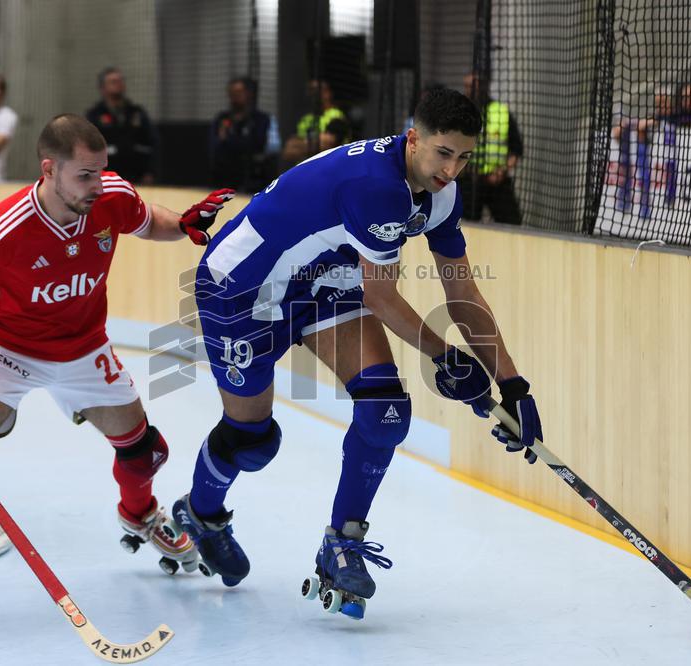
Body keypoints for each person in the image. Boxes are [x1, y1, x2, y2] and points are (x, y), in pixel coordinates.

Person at [165, 88, 543, 619]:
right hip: (245, 287)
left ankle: (341, 542)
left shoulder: (440, 194)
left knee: (385, 411)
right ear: (413, 139)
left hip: (326, 277)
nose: (452, 170)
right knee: (252, 441)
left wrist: (513, 383)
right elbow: (382, 295)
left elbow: (462, 293)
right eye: (442, 153)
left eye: (463, 157)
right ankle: (201, 515)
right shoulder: (378, 188)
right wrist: (446, 358)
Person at [0, 114, 235, 616]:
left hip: (84, 349)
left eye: (102, 171)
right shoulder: (0, 228)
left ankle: (139, 514)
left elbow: (146, 221)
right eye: (85, 175)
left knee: (146, 454)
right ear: (49, 170)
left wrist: (182, 226)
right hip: (7, 350)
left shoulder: (108, 195)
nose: (98, 185)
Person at [459, 73, 524, 225]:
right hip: (469, 180)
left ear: (484, 87)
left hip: (497, 180)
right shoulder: (460, 113)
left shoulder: (500, 111)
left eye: (473, 86)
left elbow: (516, 148)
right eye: (467, 86)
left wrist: (502, 171)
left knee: (512, 223)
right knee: (464, 224)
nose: (469, 90)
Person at [85, 67, 158, 185]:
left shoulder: (136, 113)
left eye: (121, 81)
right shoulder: (94, 115)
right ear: (103, 88)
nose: (119, 84)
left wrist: (150, 171)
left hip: (136, 176)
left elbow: (153, 142)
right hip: (106, 177)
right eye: (113, 82)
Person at [210, 77, 278, 193]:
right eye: (231, 93)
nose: (235, 96)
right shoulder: (222, 119)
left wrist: (228, 140)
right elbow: (215, 146)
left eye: (239, 92)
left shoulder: (261, 119)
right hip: (225, 178)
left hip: (253, 179)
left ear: (249, 94)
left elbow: (256, 144)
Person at [281, 79, 351, 168]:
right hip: (304, 171)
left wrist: (300, 145)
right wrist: (314, 144)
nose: (313, 94)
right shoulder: (306, 119)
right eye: (311, 90)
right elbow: (288, 151)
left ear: (328, 93)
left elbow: (326, 145)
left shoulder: (336, 116)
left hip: (329, 169)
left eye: (317, 90)